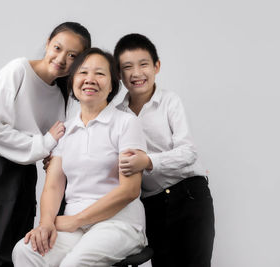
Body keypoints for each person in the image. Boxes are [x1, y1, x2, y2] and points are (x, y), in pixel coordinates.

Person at [0, 22, 91, 267]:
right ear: (47, 43)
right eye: (57, 48)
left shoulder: (60, 93)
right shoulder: (18, 70)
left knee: (17, 249)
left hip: (23, 172)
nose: (62, 58)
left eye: (72, 56)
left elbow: (50, 143)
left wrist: (50, 153)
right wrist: (43, 144)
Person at [12, 48, 148, 267]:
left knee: (74, 264)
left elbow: (129, 190)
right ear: (72, 81)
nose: (90, 79)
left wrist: (76, 220)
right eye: (83, 72)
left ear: (112, 85)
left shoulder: (126, 123)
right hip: (73, 228)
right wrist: (46, 223)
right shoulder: (65, 131)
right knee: (26, 251)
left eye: (100, 74)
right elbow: (53, 186)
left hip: (117, 224)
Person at [114, 33, 215, 267]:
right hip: (153, 204)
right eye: (127, 67)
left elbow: (189, 152)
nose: (137, 73)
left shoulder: (170, 102)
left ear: (156, 66)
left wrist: (148, 161)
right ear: (119, 74)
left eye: (143, 64)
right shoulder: (117, 114)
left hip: (189, 194)